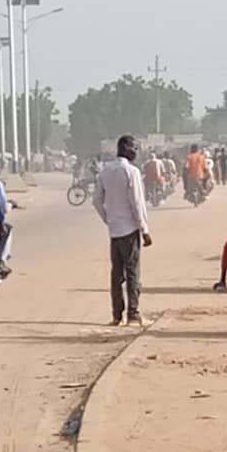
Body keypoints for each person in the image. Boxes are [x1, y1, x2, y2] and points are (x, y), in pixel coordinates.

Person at [93, 135, 153, 327]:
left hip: (114, 230)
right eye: (134, 148)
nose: (136, 152)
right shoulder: (131, 171)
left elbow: (96, 201)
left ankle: (117, 315)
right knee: (132, 272)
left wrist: (108, 219)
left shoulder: (105, 171)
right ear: (125, 148)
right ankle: (133, 314)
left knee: (116, 275)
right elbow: (137, 202)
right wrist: (144, 229)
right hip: (130, 229)